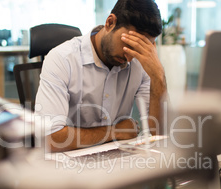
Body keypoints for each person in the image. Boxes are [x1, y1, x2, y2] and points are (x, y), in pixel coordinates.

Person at [35, 0, 167, 152]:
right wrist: (115, 131)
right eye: (129, 45)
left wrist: (159, 77)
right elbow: (50, 139)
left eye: (139, 48)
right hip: (68, 162)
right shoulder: (62, 59)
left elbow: (159, 135)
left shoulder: (139, 63)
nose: (129, 58)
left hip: (117, 158)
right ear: (110, 23)